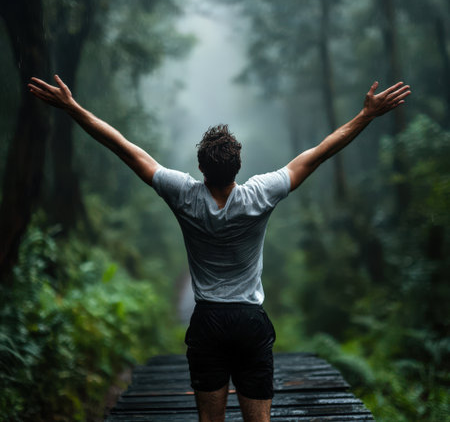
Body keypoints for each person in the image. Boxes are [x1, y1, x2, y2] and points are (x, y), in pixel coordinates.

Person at [28, 75, 410, 421]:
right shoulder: (262, 193)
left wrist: (72, 108)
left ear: (200, 166)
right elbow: (322, 151)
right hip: (250, 322)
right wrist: (366, 115)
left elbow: (125, 149)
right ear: (238, 166)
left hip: (207, 321)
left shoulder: (183, 194)